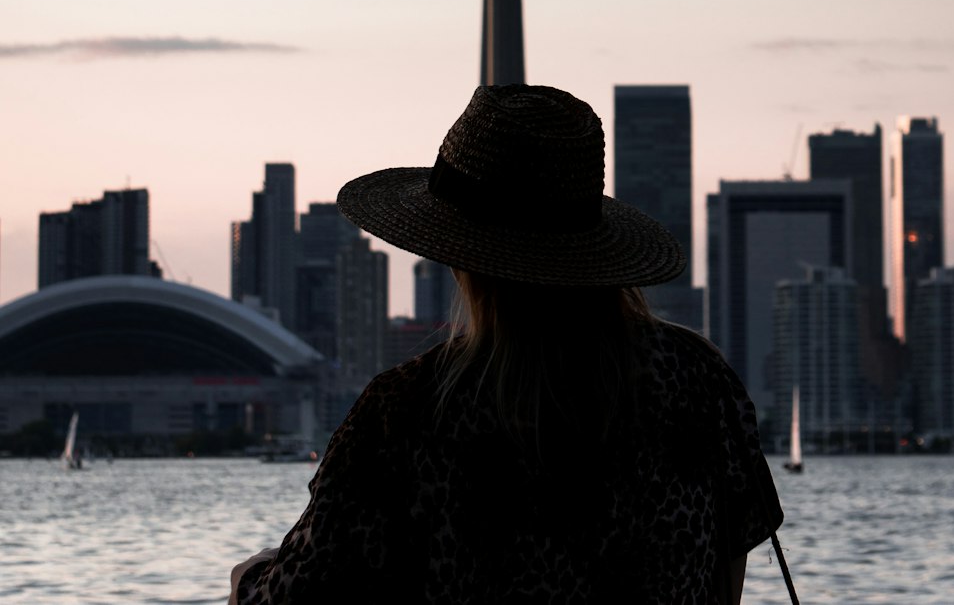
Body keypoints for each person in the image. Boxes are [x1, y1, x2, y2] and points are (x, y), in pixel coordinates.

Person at [230, 84, 784, 604]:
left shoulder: (405, 411)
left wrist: (249, 577)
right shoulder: (698, 381)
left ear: (458, 252)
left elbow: (302, 593)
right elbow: (725, 576)